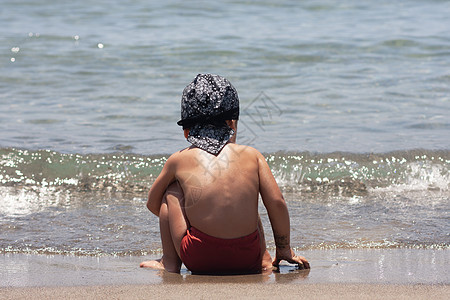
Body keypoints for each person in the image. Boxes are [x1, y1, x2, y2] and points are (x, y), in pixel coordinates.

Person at [140, 74, 309, 274]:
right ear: (232, 123)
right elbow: (277, 202)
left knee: (171, 192)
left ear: (187, 131)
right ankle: (265, 261)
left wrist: (193, 212)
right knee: (247, 199)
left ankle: (169, 262)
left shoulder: (178, 159)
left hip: (199, 257)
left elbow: (153, 203)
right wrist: (284, 250)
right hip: (248, 257)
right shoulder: (253, 156)